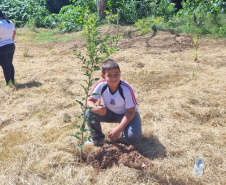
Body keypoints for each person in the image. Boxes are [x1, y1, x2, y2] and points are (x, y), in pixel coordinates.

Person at [86, 59, 142, 146]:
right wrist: (96, 109)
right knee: (89, 113)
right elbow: (89, 101)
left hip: (126, 114)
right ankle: (97, 138)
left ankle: (126, 137)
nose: (114, 78)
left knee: (132, 138)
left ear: (120, 73)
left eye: (116, 74)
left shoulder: (127, 89)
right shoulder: (101, 85)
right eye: (109, 75)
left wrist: (119, 129)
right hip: (109, 112)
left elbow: (131, 112)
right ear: (103, 76)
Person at [0, 10, 16, 85]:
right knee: (9, 64)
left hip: (2, 47)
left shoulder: (0, 24)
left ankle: (8, 83)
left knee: (5, 65)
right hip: (11, 45)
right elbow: (14, 32)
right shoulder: (10, 22)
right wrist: (11, 40)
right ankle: (12, 81)